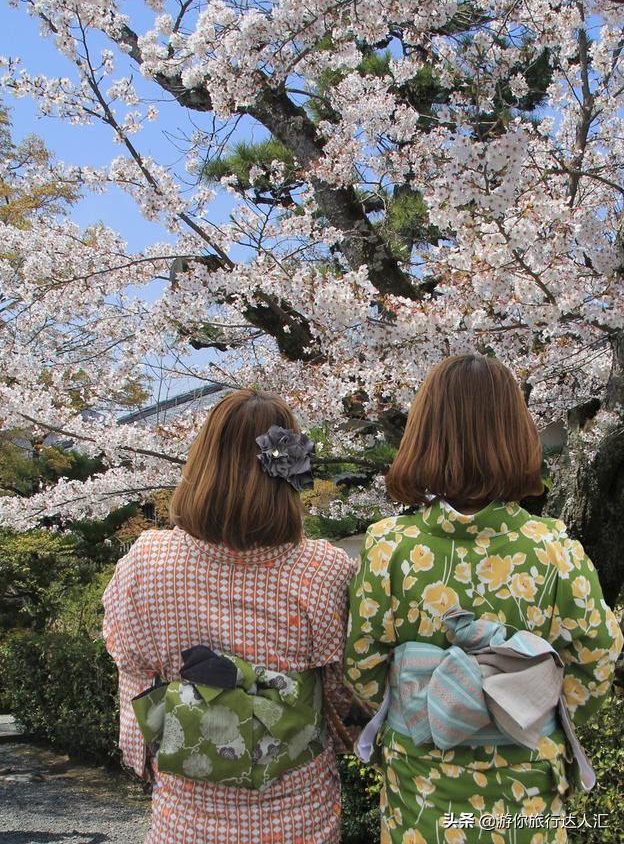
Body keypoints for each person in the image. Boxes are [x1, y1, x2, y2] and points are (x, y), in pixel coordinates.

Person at [344, 354, 623, 844]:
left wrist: (437, 711)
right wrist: (525, 708)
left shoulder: (389, 546)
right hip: (526, 790)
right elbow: (598, 662)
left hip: (420, 789)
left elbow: (362, 665)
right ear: (516, 434)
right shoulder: (554, 549)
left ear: (425, 434)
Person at [103, 389, 355, 844]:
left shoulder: (148, 562)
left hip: (186, 814)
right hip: (296, 814)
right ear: (289, 471)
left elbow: (134, 668)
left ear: (203, 464)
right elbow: (339, 696)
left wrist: (145, 757)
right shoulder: (323, 569)